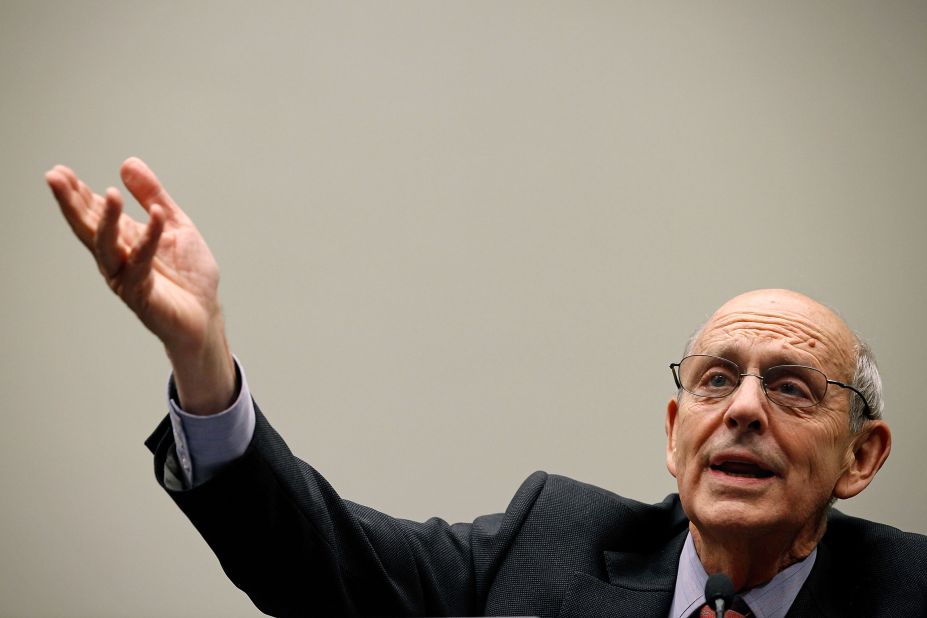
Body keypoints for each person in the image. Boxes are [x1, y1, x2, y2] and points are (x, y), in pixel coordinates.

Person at [46, 157, 927, 617]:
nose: (741, 410)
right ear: (673, 432)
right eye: (716, 381)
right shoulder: (551, 545)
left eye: (790, 388)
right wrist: (203, 360)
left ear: (861, 455)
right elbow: (320, 567)